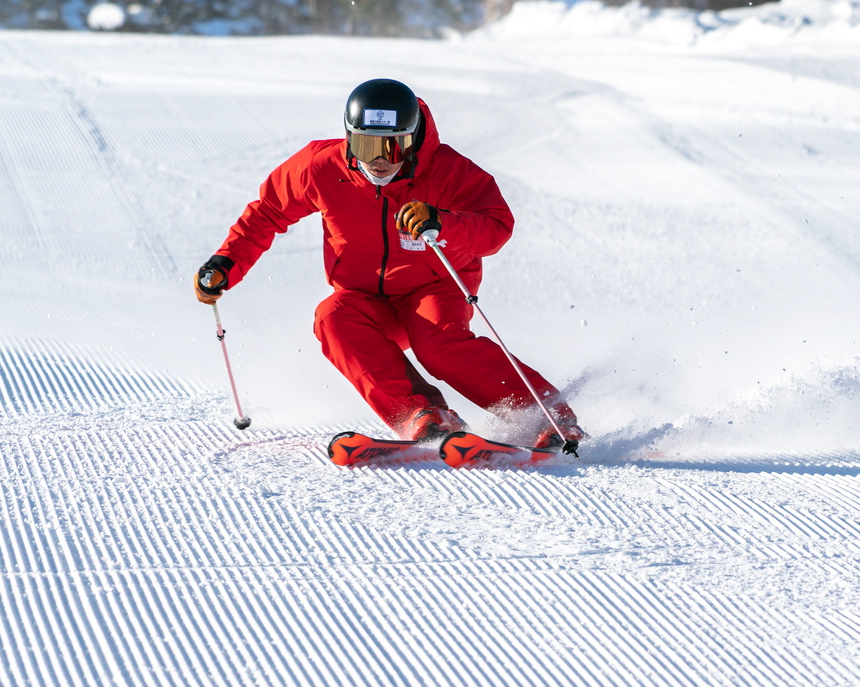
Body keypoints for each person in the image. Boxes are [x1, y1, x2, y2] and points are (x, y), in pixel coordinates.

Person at [194, 78, 584, 450]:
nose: (379, 161)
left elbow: (497, 227)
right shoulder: (321, 166)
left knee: (440, 347)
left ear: (413, 140)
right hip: (363, 296)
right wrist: (226, 262)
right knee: (332, 317)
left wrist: (443, 223)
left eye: (393, 147)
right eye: (366, 146)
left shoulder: (448, 171)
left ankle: (546, 415)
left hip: (432, 289)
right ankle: (423, 415)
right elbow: (268, 212)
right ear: (349, 138)